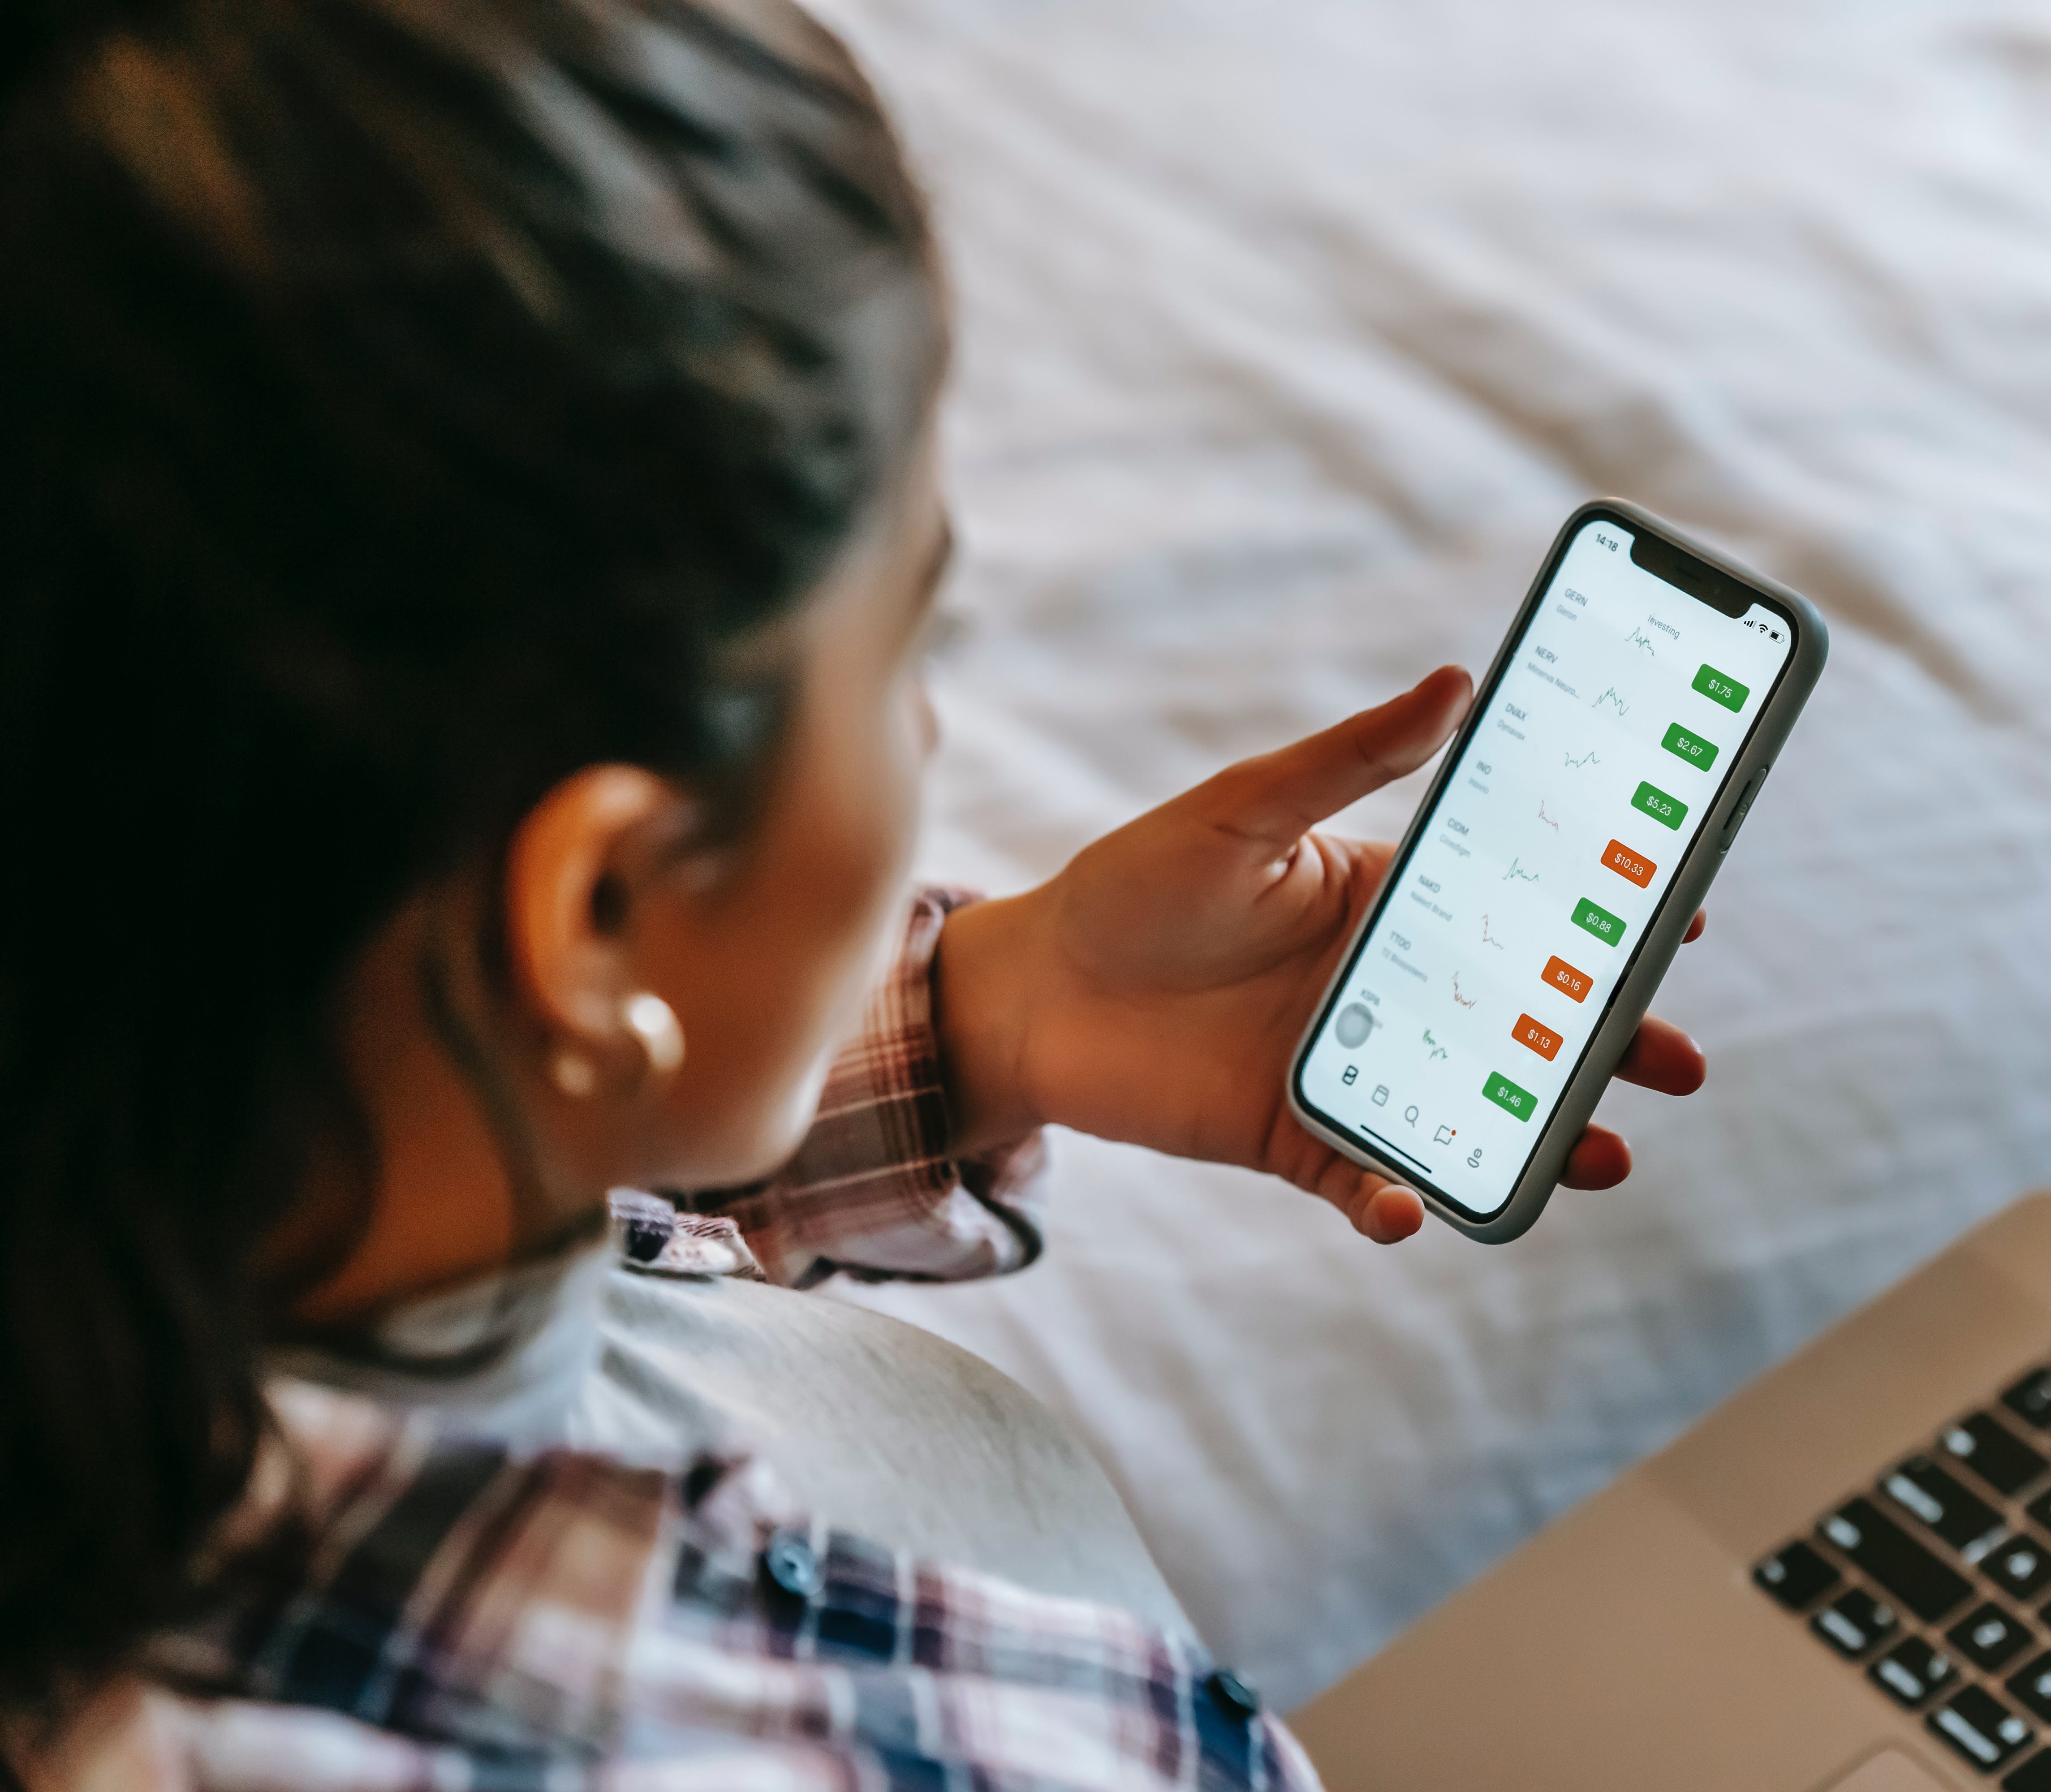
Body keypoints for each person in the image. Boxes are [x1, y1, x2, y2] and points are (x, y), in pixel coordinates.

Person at [0, 0, 1711, 1784]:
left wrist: (996, 1010)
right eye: (909, 646)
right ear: (596, 914)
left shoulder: (171, 1167)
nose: (923, 731)